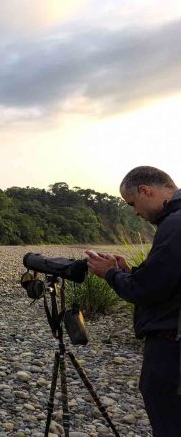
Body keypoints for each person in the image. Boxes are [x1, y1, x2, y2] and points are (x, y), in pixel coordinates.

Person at [85, 166, 181, 436]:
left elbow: (146, 290)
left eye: (132, 204)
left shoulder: (175, 225)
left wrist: (111, 274)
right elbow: (167, 280)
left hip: (171, 348)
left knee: (170, 422)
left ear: (145, 190)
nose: (135, 213)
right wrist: (128, 271)